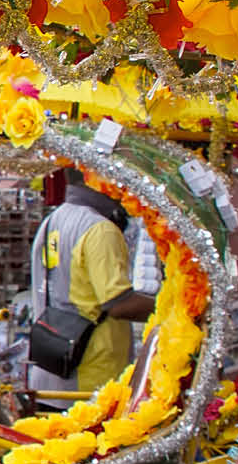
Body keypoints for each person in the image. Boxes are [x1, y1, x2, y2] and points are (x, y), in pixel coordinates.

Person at [28, 168, 154, 394]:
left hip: (52, 370)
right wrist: (173, 307)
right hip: (89, 375)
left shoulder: (51, 220)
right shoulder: (100, 229)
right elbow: (119, 305)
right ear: (98, 179)